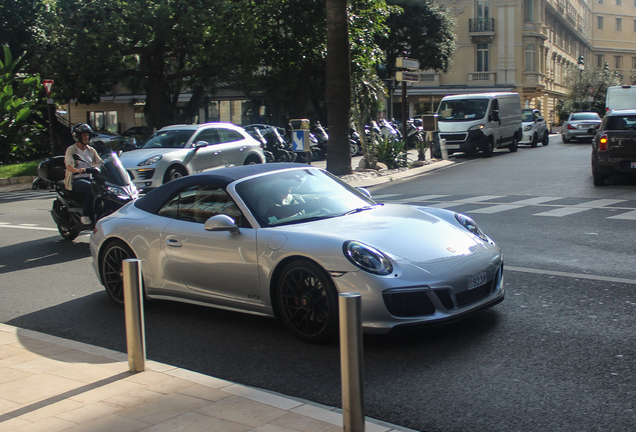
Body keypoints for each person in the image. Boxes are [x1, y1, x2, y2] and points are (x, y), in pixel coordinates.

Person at [64, 123, 103, 225]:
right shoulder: (71, 150)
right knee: (91, 187)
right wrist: (78, 170)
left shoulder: (91, 150)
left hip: (89, 177)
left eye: (87, 135)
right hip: (76, 179)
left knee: (104, 187)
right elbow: (69, 166)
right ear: (78, 136)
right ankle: (85, 215)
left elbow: (100, 162)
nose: (86, 137)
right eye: (84, 135)